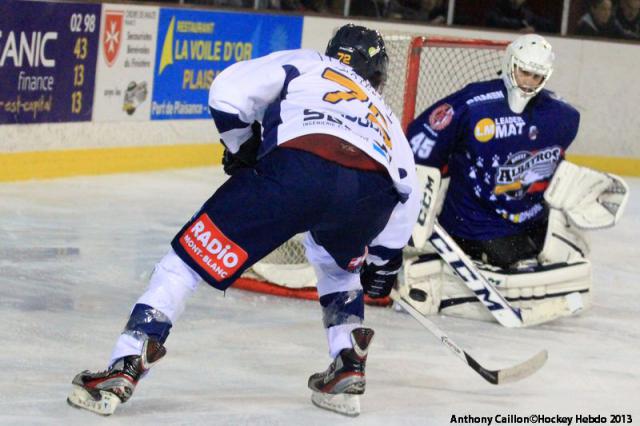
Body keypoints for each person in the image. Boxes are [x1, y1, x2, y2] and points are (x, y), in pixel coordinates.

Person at [67, 24, 420, 417]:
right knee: (339, 267)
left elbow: (227, 94)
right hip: (368, 195)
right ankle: (347, 363)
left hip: (297, 171)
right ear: (378, 73)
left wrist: (245, 147)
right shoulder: (383, 111)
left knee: (184, 264)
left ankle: (130, 358)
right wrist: (385, 261)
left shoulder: (307, 62)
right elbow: (407, 188)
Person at [401, 34, 628, 322]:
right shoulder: (472, 104)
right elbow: (420, 142)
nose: (529, 81)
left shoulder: (562, 116)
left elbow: (555, 162)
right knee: (526, 266)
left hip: (532, 221)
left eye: (537, 75)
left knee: (575, 250)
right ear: (510, 64)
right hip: (474, 227)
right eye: (524, 72)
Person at [486, 0, 557, 33]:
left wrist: (534, 29)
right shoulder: (499, 6)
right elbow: (493, 21)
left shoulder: (526, 10)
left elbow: (550, 25)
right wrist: (520, 25)